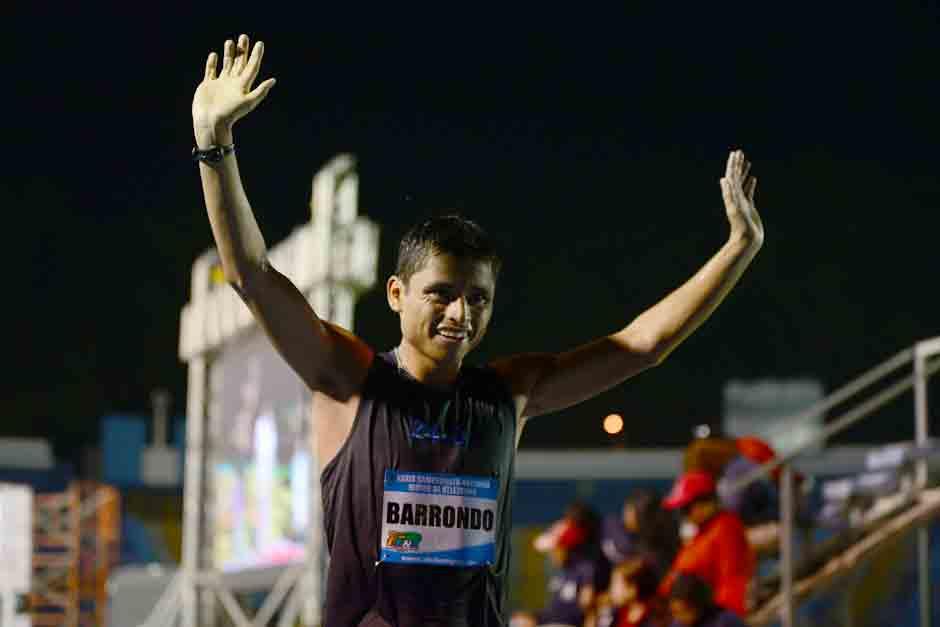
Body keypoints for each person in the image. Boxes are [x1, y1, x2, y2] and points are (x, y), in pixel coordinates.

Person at [190, 33, 765, 627]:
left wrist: (739, 250)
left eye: (478, 299)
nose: (460, 315)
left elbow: (645, 344)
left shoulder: (506, 395)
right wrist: (214, 145)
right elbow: (252, 275)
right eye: (441, 294)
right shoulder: (350, 378)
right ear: (396, 294)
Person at [658, 472, 755, 617]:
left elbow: (732, 582)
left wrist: (723, 620)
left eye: (686, 508)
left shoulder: (726, 528)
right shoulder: (702, 531)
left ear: (707, 502)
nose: (685, 515)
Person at [667, 574, 747, 627]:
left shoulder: (725, 621)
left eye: (684, 612)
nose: (679, 618)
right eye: (675, 612)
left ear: (699, 605)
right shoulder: (678, 624)